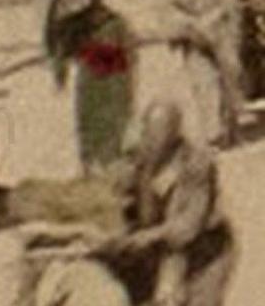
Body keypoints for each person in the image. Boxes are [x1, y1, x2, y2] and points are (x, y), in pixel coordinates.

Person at [94, 99, 236, 306]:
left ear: (173, 134)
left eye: (158, 134)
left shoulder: (196, 165)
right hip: (162, 249)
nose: (150, 140)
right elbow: (121, 189)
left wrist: (146, 237)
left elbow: (187, 227)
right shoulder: (141, 157)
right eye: (148, 132)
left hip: (205, 253)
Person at [155, 0, 243, 149]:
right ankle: (215, 131)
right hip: (195, 33)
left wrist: (213, 19)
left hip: (221, 28)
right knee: (203, 81)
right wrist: (188, 26)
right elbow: (174, 9)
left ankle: (231, 125)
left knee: (229, 75)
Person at [46, 0, 137, 171]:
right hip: (94, 90)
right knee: (92, 146)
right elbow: (59, 47)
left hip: (110, 90)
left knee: (109, 146)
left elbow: (128, 62)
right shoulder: (79, 23)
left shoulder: (116, 22)